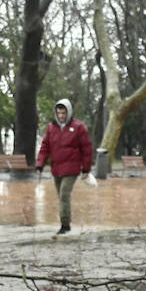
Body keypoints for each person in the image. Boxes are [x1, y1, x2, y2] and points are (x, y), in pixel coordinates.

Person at [35, 98, 94, 235]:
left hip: (71, 169)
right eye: (59, 113)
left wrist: (86, 169)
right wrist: (40, 164)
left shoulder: (79, 127)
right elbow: (45, 147)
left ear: (69, 112)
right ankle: (65, 221)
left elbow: (87, 149)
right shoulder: (51, 128)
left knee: (64, 195)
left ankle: (65, 224)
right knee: (60, 196)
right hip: (56, 168)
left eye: (63, 113)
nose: (61, 116)